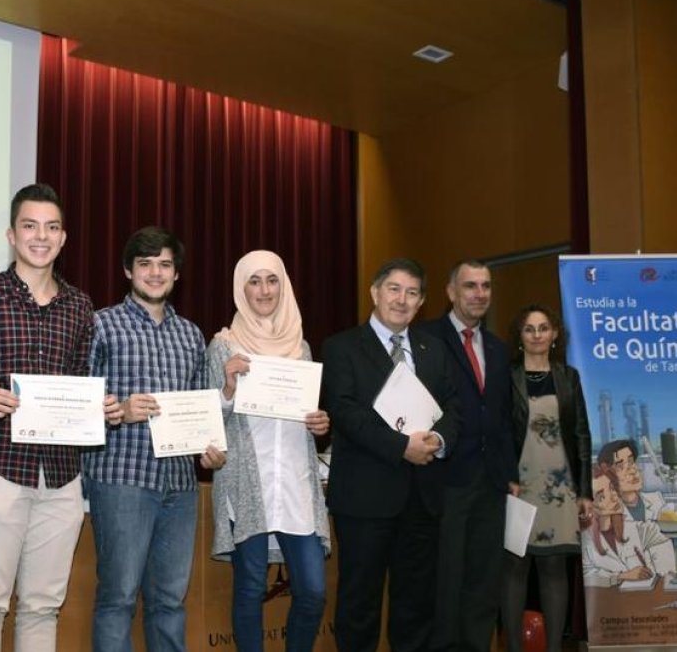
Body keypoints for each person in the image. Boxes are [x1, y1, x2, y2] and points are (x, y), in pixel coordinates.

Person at [0, 183, 124, 652]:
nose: (40, 236)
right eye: (30, 226)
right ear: (11, 235)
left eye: (51, 227)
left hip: (62, 477)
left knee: (43, 605)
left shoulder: (79, 306)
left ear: (64, 238)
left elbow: (76, 379)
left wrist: (100, 407)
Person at [84, 226, 226, 652]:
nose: (155, 272)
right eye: (145, 264)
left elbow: (202, 408)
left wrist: (210, 450)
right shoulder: (101, 325)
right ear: (128, 271)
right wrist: (119, 412)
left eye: (165, 264)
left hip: (180, 486)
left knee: (169, 601)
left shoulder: (191, 335)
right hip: (122, 479)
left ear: (177, 274)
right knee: (119, 598)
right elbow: (76, 404)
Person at [321, 257, 458, 652]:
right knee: (359, 605)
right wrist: (403, 448)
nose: (402, 299)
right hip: (365, 499)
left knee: (416, 607)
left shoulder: (434, 350)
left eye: (412, 293)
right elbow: (346, 413)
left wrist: (438, 441)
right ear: (375, 292)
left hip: (423, 498)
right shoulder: (342, 347)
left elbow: (453, 406)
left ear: (422, 303)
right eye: (394, 289)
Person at [208, 250, 331, 652]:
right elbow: (210, 423)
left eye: (272, 280)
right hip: (248, 482)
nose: (264, 290)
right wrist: (227, 389)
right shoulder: (224, 346)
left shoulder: (302, 346)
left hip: (296, 482)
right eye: (254, 281)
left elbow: (307, 415)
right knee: (250, 588)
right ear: (240, 288)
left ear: (284, 285)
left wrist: (319, 425)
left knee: (312, 590)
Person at [420, 260, 517, 652]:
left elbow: (504, 416)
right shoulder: (425, 338)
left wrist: (510, 472)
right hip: (445, 479)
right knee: (445, 581)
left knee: (483, 580)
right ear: (451, 292)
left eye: (486, 286)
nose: (479, 294)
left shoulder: (497, 348)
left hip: (491, 482)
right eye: (470, 286)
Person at [501, 304, 592, 652]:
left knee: (555, 568)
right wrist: (503, 477)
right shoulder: (506, 377)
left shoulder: (569, 377)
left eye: (543, 328)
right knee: (514, 566)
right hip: (518, 484)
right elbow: (496, 433)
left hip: (561, 487)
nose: (537, 334)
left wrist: (584, 491)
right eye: (529, 328)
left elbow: (581, 433)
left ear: (555, 334)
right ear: (520, 337)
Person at [580, 464, 675, 588]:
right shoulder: (584, 539)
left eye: (612, 488)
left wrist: (662, 572)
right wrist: (621, 576)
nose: (614, 497)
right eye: (602, 496)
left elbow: (662, 535)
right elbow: (585, 576)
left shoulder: (635, 528)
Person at [597, 439, 677, 522]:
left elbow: (672, 522)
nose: (632, 470)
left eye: (631, 462)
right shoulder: (605, 514)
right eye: (620, 466)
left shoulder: (657, 500)